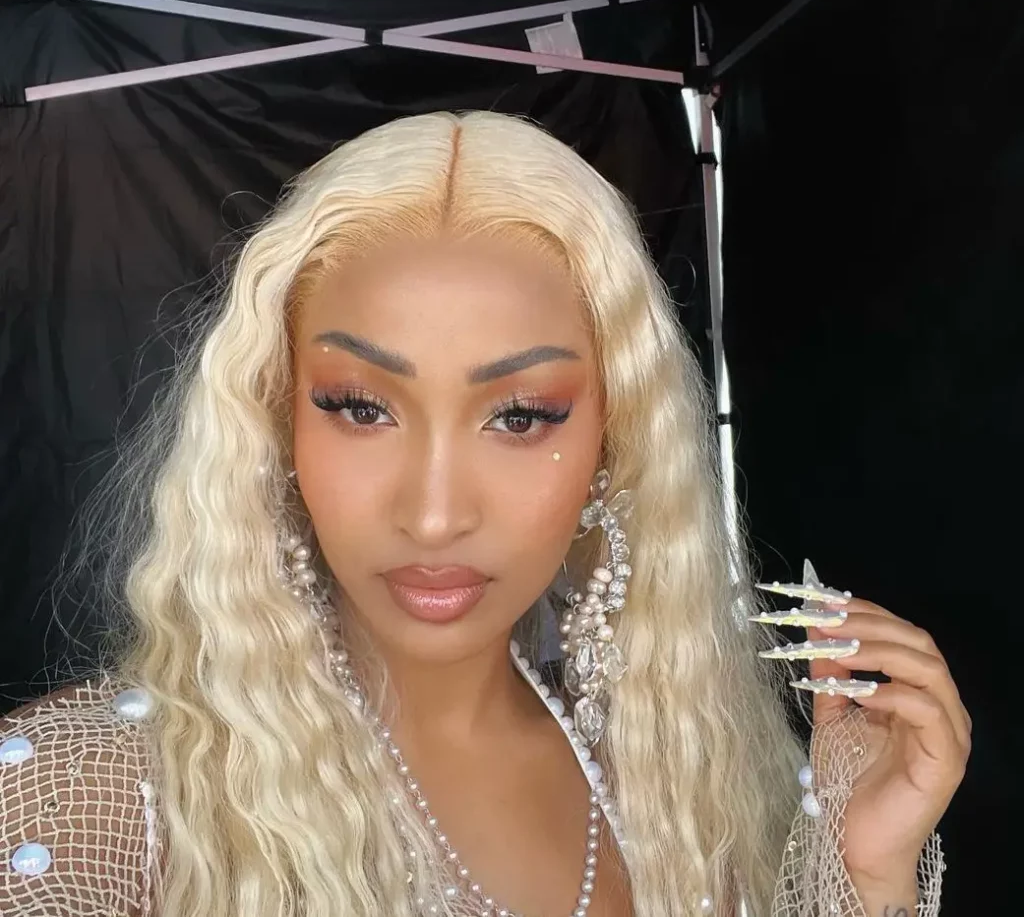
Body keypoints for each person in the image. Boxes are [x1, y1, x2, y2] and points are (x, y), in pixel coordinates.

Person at [0, 111, 969, 917]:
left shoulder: (677, 792)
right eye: (361, 407)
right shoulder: (86, 803)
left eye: (520, 416)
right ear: (276, 416)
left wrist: (860, 875)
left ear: (613, 441)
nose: (433, 515)